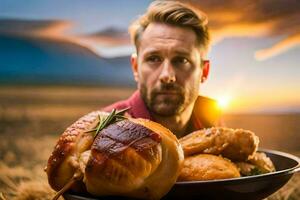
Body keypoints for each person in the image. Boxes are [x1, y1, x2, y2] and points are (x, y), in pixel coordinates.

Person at [103, 0, 221, 138]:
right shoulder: (103, 131)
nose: (167, 75)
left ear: (204, 71)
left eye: (181, 60)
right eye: (153, 59)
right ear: (135, 67)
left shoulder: (213, 126)